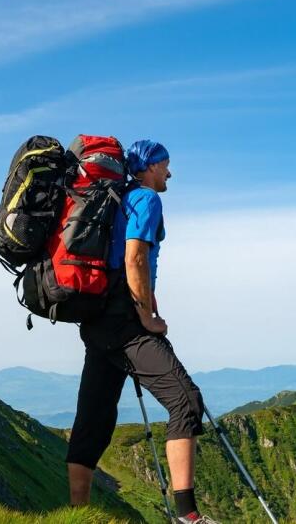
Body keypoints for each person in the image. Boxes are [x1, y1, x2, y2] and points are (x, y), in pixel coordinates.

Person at [66, 140, 216, 523]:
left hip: (98, 320)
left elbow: (122, 260)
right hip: (125, 324)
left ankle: (76, 515)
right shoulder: (146, 199)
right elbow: (134, 256)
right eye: (165, 165)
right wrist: (146, 317)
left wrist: (147, 298)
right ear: (149, 166)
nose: (169, 173)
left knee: (94, 420)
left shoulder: (115, 199)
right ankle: (188, 516)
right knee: (186, 401)